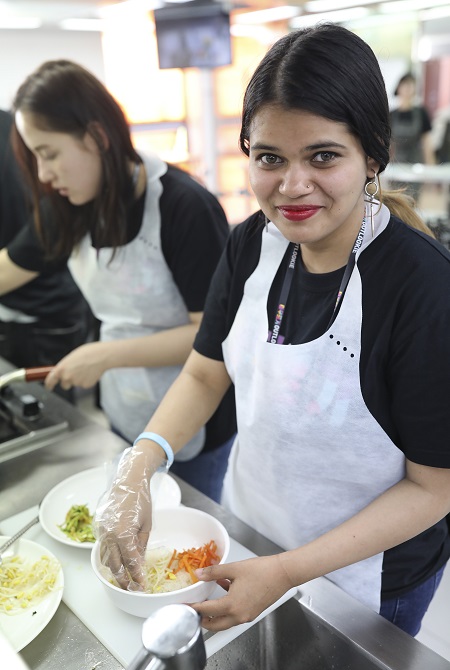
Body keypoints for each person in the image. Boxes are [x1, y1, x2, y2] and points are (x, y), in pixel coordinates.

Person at [94, 24, 450, 638]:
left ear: (372, 154)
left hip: (366, 579)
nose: (292, 187)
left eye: (323, 156)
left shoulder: (420, 286)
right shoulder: (250, 244)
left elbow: (432, 487)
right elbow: (207, 371)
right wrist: (140, 464)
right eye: (269, 158)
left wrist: (288, 571)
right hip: (253, 534)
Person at [10, 59, 236, 502]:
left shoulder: (184, 207)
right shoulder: (69, 207)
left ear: (96, 136)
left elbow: (211, 335)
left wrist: (106, 355)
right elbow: (8, 266)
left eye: (49, 153)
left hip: (197, 419)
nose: (43, 174)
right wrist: (108, 361)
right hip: (125, 407)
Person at [0, 108, 90, 401]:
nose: (44, 170)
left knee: (54, 418)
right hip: (30, 307)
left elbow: (43, 237)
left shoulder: (20, 133)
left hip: (45, 313)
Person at [389, 72, 435, 201]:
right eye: (404, 85)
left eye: (411, 85)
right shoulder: (391, 115)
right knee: (396, 203)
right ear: (398, 88)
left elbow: (427, 143)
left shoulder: (421, 113)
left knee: (413, 202)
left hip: (416, 166)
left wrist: (430, 171)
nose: (407, 88)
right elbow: (387, 144)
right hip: (396, 166)